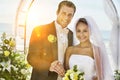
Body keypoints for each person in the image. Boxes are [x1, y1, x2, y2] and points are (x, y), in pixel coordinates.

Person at [27, 0, 76, 80]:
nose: (66, 17)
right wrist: (49, 66)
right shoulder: (39, 30)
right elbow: (31, 57)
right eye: (63, 13)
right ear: (57, 12)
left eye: (70, 15)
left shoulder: (72, 35)